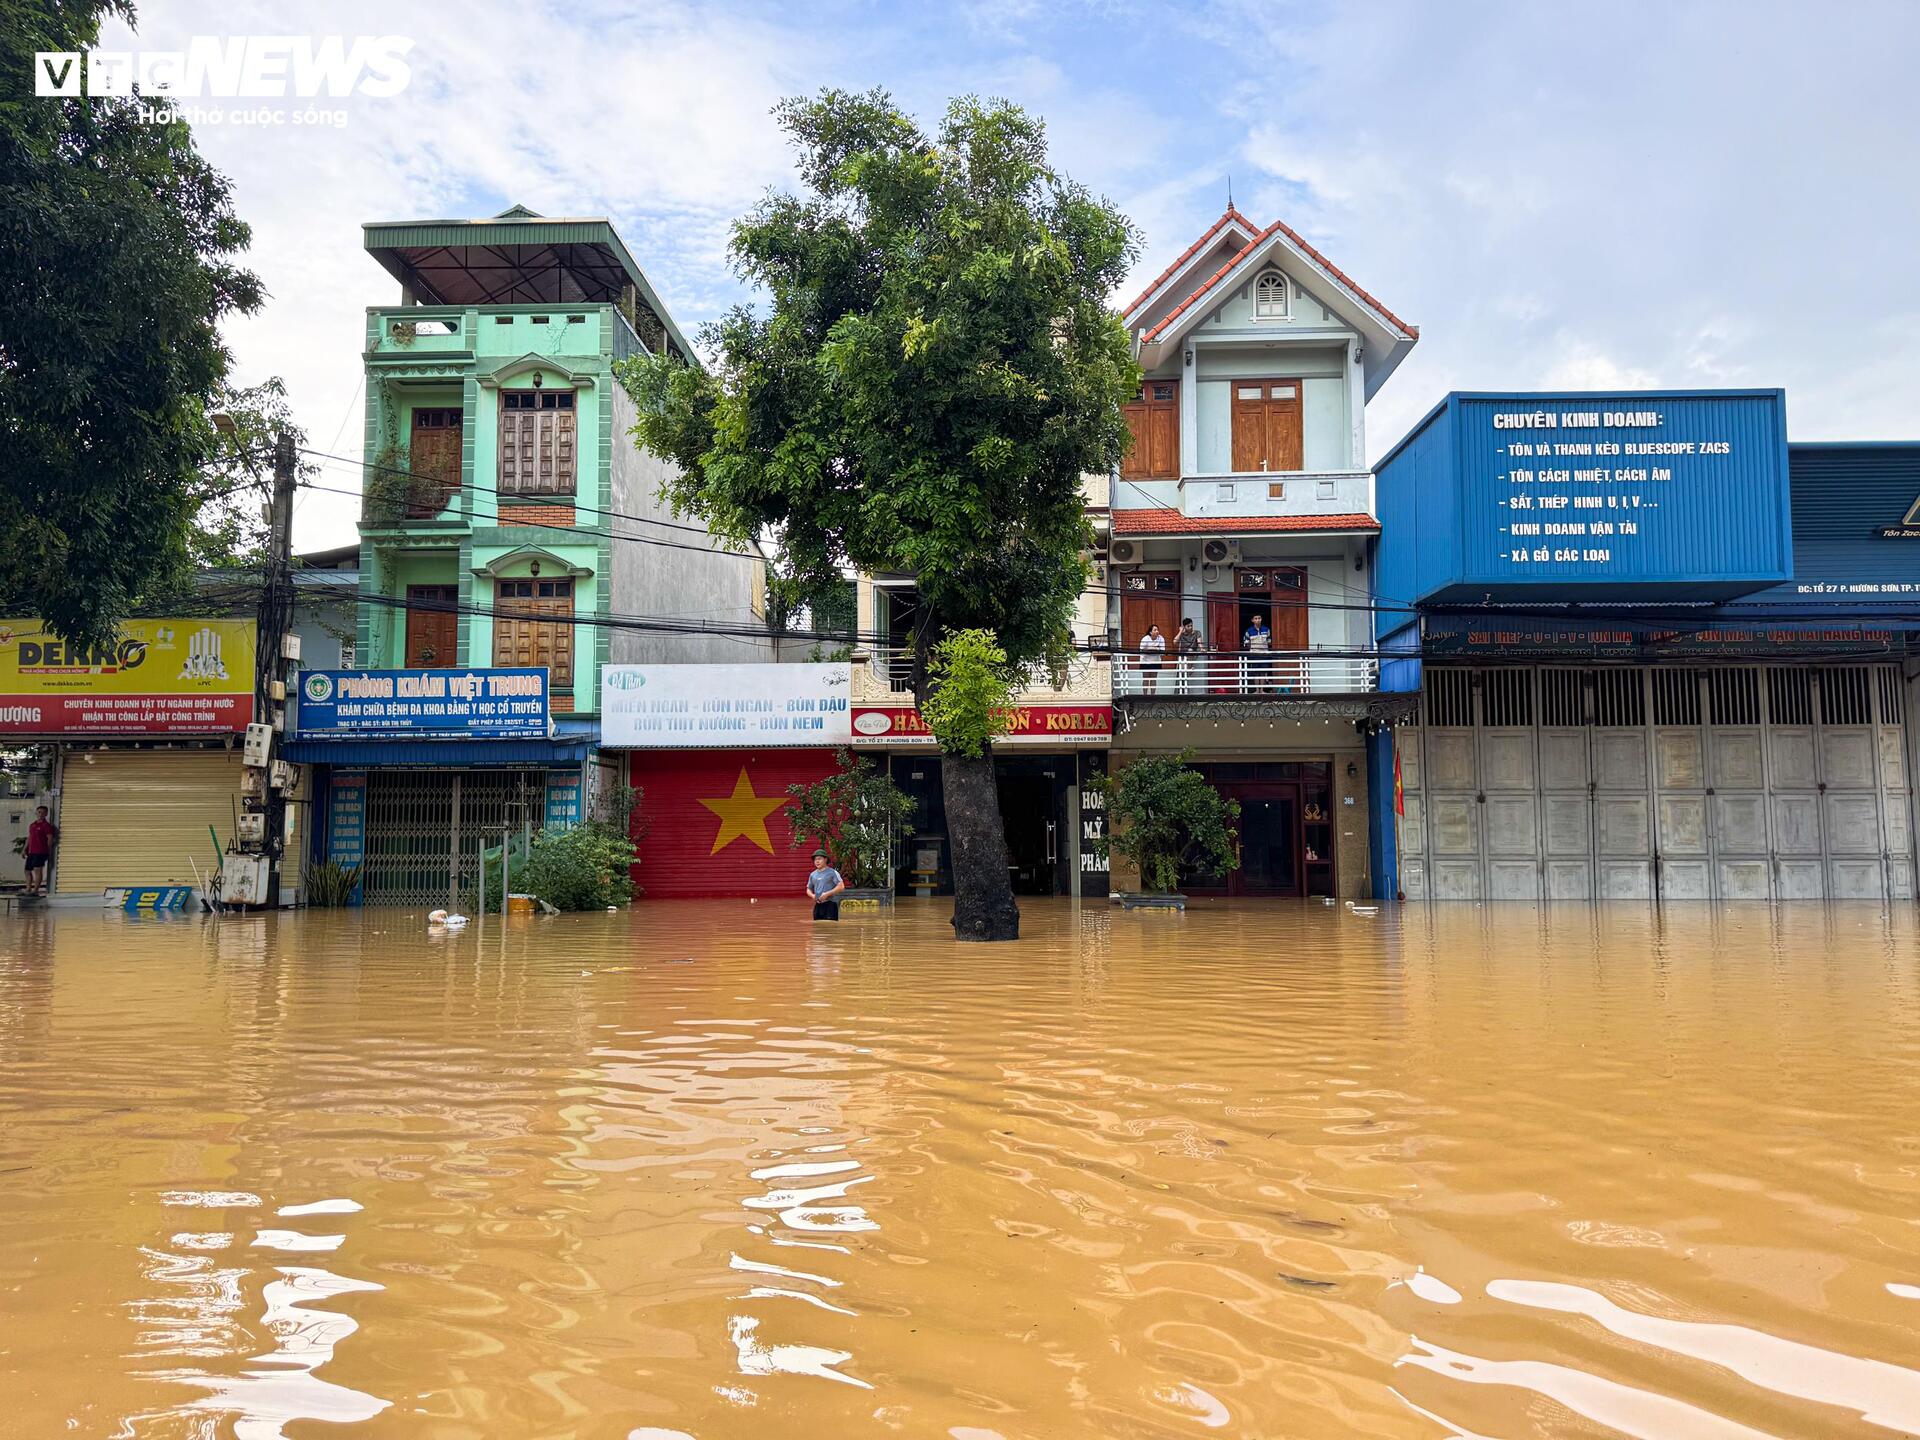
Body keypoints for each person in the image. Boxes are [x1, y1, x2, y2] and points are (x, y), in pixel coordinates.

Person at [23, 805, 56, 897]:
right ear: (36, 813)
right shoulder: (32, 825)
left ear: (46, 814)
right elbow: (29, 837)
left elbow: (50, 838)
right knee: (27, 870)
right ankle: (28, 888)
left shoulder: (46, 826)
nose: (40, 814)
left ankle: (35, 890)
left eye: (43, 812)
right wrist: (24, 849)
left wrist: (48, 851)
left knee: (37, 870)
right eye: (39, 812)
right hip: (31, 851)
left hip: (40, 851)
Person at [805, 849, 846, 921]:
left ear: (825, 859)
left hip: (831, 905)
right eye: (815, 859)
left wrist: (827, 894)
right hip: (818, 906)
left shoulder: (833, 872)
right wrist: (812, 895)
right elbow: (808, 889)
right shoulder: (813, 874)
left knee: (831, 929)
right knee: (817, 929)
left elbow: (841, 886)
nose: (817, 861)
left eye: (819, 859)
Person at [1243, 613, 1272, 693]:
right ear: (1252, 620)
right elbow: (1246, 642)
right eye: (1255, 618)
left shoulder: (1266, 630)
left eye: (1259, 618)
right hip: (1254, 654)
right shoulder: (1249, 631)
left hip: (1264, 654)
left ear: (1261, 619)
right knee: (1256, 673)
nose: (1257, 620)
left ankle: (1262, 690)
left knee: (1263, 672)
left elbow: (1269, 641)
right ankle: (1257, 690)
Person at [1173, 617, 1202, 694]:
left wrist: (1202, 648)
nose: (1190, 627)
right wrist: (1180, 631)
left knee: (1191, 650)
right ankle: (1180, 696)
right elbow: (1174, 642)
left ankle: (1187, 695)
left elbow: (1199, 643)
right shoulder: (1182, 634)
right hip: (1183, 659)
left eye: (1191, 625)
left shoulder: (1197, 633)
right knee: (1182, 677)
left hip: (1192, 659)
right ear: (1184, 627)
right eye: (1188, 626)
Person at [1138, 622, 1167, 693]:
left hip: (1156, 661)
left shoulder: (1161, 638)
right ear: (1150, 632)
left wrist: (1151, 648)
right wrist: (1155, 648)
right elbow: (1141, 650)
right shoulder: (1145, 639)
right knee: (1146, 679)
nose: (1157, 631)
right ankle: (1145, 696)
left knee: (1154, 679)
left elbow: (1162, 651)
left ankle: (1153, 696)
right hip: (1145, 661)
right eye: (1155, 630)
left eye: (1157, 630)